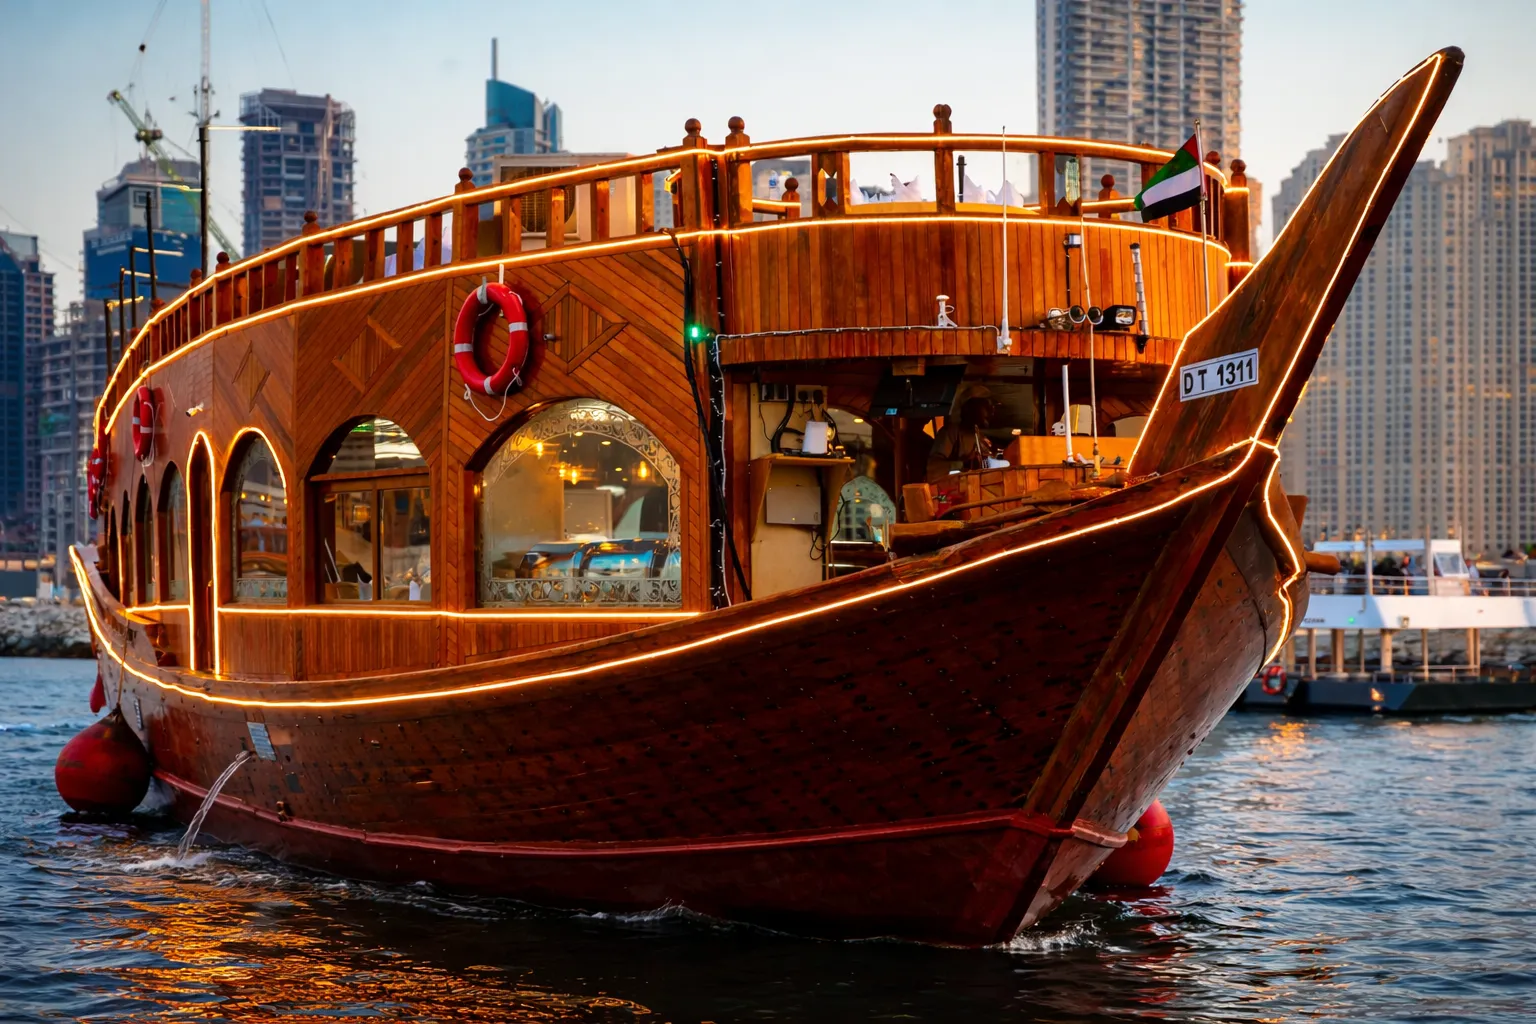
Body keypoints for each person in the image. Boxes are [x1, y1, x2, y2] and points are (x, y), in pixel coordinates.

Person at [926, 386, 998, 482]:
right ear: (970, 407)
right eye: (986, 405)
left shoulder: (980, 438)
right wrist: (965, 465)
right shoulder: (951, 432)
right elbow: (933, 469)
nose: (991, 411)